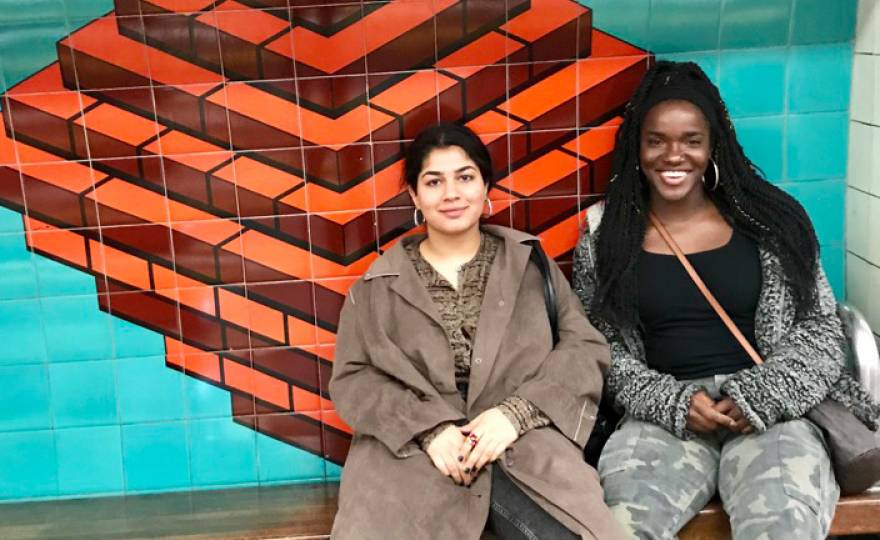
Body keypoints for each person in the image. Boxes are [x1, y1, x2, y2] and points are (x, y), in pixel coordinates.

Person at [572, 60, 880, 539]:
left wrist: (759, 394)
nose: (674, 155)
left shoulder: (771, 222)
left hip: (772, 417)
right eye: (656, 141)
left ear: (713, 145)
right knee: (622, 527)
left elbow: (820, 331)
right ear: (636, 146)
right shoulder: (604, 236)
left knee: (783, 523)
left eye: (691, 140)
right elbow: (597, 347)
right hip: (661, 421)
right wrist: (673, 402)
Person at [329, 123, 622, 539]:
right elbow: (353, 380)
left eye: (465, 177)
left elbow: (584, 348)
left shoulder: (529, 265)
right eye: (434, 182)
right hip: (411, 459)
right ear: (415, 196)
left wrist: (515, 414)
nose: (451, 193)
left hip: (523, 447)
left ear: (486, 187)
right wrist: (428, 430)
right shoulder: (376, 287)